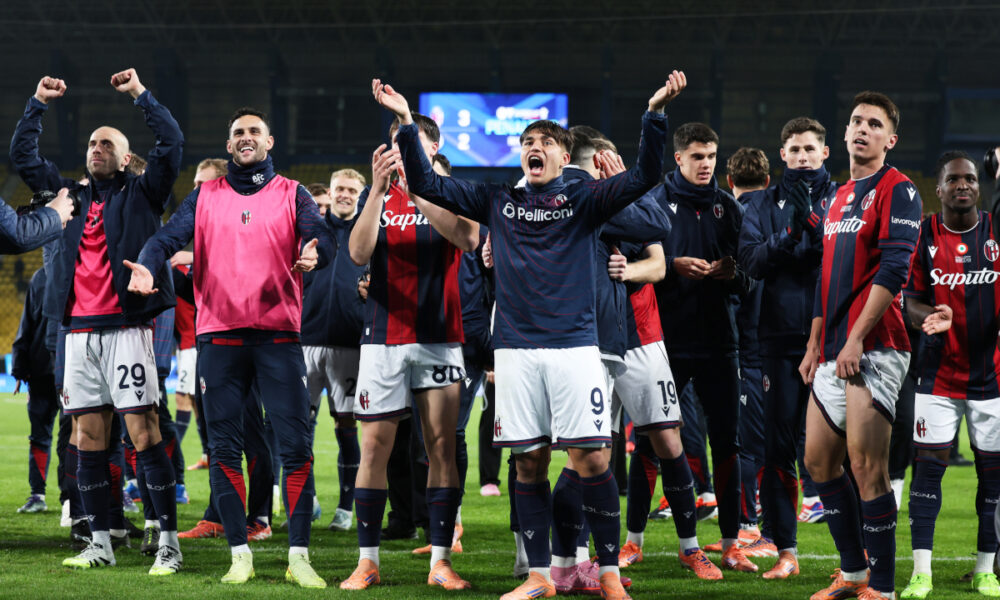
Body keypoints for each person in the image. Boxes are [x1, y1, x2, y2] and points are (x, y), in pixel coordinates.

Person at [375, 71, 683, 600]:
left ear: (564, 157)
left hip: (575, 348)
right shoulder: (497, 200)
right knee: (530, 462)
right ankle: (540, 576)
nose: (533, 149)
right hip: (515, 351)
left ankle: (607, 574)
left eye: (544, 143)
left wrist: (654, 113)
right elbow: (428, 185)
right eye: (526, 144)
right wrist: (406, 121)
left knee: (593, 460)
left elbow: (643, 180)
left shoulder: (585, 199)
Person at [128, 106, 334, 587]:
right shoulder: (204, 196)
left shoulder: (293, 193)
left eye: (254, 132)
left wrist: (314, 251)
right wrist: (145, 263)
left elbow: (322, 236)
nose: (245, 138)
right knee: (223, 448)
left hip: (279, 336)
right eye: (238, 132)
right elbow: (165, 239)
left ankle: (299, 556)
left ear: (269, 142)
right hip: (218, 338)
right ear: (228, 145)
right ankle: (239, 553)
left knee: (297, 447)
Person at [11, 69, 183, 575]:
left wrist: (140, 96)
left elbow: (171, 142)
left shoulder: (143, 193)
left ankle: (167, 541)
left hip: (127, 329)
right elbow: (23, 159)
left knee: (143, 430)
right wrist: (38, 103)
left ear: (127, 157)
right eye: (91, 143)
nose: (95, 148)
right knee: (86, 436)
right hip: (79, 332)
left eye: (106, 144)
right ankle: (100, 540)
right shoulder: (69, 196)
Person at [338, 109, 478, 592]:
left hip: (440, 336)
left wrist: (420, 185)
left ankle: (441, 560)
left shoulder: (450, 191)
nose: (401, 150)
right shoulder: (380, 193)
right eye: (397, 142)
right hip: (382, 338)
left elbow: (468, 236)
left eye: (411, 142)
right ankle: (367, 561)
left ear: (431, 148)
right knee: (374, 447)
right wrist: (376, 191)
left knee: (441, 447)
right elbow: (358, 253)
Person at [800, 91, 922, 600]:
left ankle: (885, 588)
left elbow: (895, 270)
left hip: (875, 344)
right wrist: (815, 343)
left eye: (874, 123)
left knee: (866, 466)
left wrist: (853, 338)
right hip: (832, 347)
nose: (861, 128)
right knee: (818, 462)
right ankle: (853, 575)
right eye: (855, 120)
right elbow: (825, 275)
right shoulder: (833, 196)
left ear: (889, 140)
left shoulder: (901, 190)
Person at [649, 121, 755, 574]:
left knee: (726, 444)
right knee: (654, 440)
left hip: (717, 342)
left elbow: (750, 281)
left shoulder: (729, 210)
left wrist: (732, 275)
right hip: (665, 342)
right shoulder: (654, 202)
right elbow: (639, 269)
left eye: (711, 156)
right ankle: (635, 540)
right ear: (679, 158)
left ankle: (730, 544)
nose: (705, 164)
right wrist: (671, 267)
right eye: (697, 156)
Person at [738, 117, 839, 579]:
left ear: (824, 153)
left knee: (842, 450)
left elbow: (843, 260)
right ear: (781, 155)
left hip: (836, 341)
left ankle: (854, 560)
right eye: (794, 149)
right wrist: (790, 234)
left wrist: (813, 225)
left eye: (809, 149)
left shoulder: (845, 199)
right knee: (778, 448)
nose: (801, 156)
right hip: (777, 342)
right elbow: (754, 262)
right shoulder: (759, 203)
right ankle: (786, 552)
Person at [899, 151, 1000, 599]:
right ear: (937, 189)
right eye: (954, 180)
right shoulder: (922, 237)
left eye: (971, 179)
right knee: (927, 473)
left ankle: (985, 570)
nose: (963, 185)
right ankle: (922, 572)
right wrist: (926, 316)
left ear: (980, 187)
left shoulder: (997, 234)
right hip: (937, 377)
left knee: (993, 478)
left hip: (992, 378)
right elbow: (908, 297)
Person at [300, 167, 366, 532]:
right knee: (301, 425)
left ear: (360, 193)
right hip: (306, 341)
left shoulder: (368, 231)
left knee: (346, 426)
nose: (343, 194)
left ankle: (345, 507)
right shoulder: (314, 233)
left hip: (349, 344)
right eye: (339, 187)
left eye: (351, 189)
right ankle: (307, 499)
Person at [178, 158, 228, 471]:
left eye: (202, 184)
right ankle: (219, 512)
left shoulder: (242, 221)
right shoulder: (196, 228)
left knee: (247, 429)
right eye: (194, 183)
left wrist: (192, 259)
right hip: (205, 341)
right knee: (208, 418)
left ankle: (259, 513)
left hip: (241, 341)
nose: (194, 190)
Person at [13, 266, 59, 514]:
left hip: (65, 368)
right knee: (61, 436)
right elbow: (28, 324)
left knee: (74, 437)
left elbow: (26, 325)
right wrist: (20, 369)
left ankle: (69, 498)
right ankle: (42, 495)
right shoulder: (41, 276)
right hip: (45, 370)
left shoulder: (42, 275)